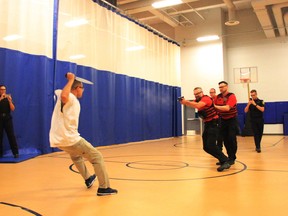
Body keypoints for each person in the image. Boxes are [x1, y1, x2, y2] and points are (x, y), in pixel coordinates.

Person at [49, 72, 117, 196]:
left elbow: (60, 93)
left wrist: (70, 81)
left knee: (76, 156)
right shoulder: (71, 98)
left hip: (59, 139)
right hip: (69, 138)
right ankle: (104, 188)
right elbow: (64, 96)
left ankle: (88, 179)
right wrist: (71, 80)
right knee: (97, 157)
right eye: (82, 88)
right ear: (77, 88)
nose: (83, 91)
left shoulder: (64, 95)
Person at [179, 87, 230, 172]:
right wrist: (184, 101)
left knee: (211, 145)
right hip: (208, 124)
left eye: (198, 93)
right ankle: (223, 159)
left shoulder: (206, 99)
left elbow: (198, 105)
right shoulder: (197, 100)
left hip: (214, 124)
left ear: (202, 92)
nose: (196, 95)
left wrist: (186, 102)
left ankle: (225, 160)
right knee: (206, 147)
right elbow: (193, 103)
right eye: (195, 94)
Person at [214, 81, 238, 165]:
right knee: (224, 139)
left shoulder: (232, 96)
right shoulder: (218, 97)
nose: (221, 88)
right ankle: (227, 158)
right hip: (222, 120)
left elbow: (227, 108)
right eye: (219, 87)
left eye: (222, 87)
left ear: (227, 87)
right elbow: (214, 108)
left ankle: (232, 157)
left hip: (231, 120)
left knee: (231, 139)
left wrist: (216, 107)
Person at [0, 85, 19, 158]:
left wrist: (10, 101)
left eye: (4, 90)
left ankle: (15, 153)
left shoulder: (8, 98)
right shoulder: (1, 98)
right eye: (1, 89)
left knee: (11, 136)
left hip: (7, 119)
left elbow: (13, 109)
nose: (3, 91)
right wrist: (1, 99)